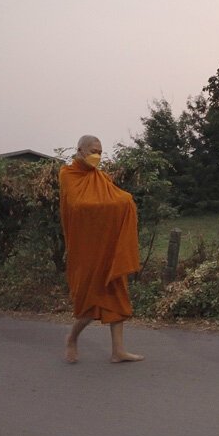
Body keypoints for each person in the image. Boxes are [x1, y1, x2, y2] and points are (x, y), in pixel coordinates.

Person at [59, 135, 144, 363]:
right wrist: (117, 202)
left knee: (117, 297)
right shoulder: (68, 174)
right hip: (85, 250)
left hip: (107, 249)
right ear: (80, 151)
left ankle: (118, 351)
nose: (97, 156)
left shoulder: (101, 177)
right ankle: (72, 338)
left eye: (100, 152)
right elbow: (80, 205)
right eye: (94, 151)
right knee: (88, 303)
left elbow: (117, 200)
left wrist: (124, 201)